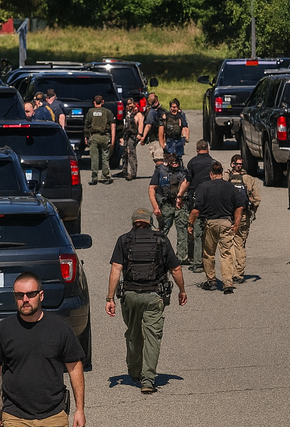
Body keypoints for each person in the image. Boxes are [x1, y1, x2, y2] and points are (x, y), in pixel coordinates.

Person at [0, 272, 86, 427]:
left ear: (41, 295)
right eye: (19, 295)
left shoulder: (60, 328)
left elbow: (74, 368)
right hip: (15, 419)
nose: (25, 300)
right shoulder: (3, 330)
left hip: (53, 418)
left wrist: (80, 410)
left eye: (30, 294)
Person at [106, 208, 188, 394]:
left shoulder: (123, 240)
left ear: (134, 223)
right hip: (153, 296)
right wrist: (182, 290)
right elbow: (175, 269)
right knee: (152, 337)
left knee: (133, 334)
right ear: (149, 222)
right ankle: (148, 380)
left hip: (130, 295)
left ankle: (135, 372)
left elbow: (115, 270)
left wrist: (109, 298)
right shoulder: (161, 240)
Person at [187, 161, 247, 295]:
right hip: (226, 223)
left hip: (210, 224)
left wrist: (190, 224)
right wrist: (236, 224)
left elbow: (196, 210)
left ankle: (211, 280)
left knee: (209, 253)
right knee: (226, 253)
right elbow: (240, 206)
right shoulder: (231, 187)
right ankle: (227, 283)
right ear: (221, 173)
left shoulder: (204, 187)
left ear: (211, 174)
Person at [222, 154, 261, 283]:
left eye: (240, 164)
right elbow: (257, 199)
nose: (239, 166)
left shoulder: (226, 178)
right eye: (238, 164)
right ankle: (239, 273)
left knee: (230, 244)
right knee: (240, 244)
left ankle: (233, 272)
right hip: (243, 216)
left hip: (229, 215)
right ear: (234, 164)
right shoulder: (248, 179)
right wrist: (252, 210)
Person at [179, 139, 215, 273]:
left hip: (196, 199)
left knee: (197, 231)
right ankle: (209, 260)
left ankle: (197, 262)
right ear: (208, 149)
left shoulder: (193, 162)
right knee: (211, 231)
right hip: (211, 199)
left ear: (197, 149)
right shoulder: (213, 162)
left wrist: (179, 196)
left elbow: (187, 181)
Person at [149, 153, 191, 263]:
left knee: (182, 230)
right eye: (173, 161)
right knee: (163, 231)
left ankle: (181, 257)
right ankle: (158, 255)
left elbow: (187, 183)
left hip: (180, 204)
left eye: (177, 161)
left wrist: (180, 196)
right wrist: (155, 207)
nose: (175, 163)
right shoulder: (160, 171)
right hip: (166, 204)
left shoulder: (183, 171)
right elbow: (152, 189)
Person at [84, 95, 116, 185]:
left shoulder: (90, 112)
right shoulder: (108, 112)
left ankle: (94, 177)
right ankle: (106, 175)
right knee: (105, 157)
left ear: (94, 102)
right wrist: (113, 139)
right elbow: (113, 125)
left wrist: (86, 137)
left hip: (94, 137)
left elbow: (86, 125)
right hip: (104, 136)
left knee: (94, 157)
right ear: (103, 102)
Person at [120, 98, 144, 180]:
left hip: (133, 135)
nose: (128, 106)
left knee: (131, 153)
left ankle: (133, 173)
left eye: (130, 104)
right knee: (124, 154)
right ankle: (124, 171)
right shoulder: (127, 113)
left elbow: (141, 123)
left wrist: (140, 134)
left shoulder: (138, 114)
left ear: (134, 104)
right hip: (126, 135)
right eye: (127, 104)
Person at [140, 92, 166, 163]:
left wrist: (143, 138)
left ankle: (161, 173)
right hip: (165, 140)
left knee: (159, 160)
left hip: (156, 140)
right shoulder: (164, 111)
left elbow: (148, 125)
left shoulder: (151, 112)